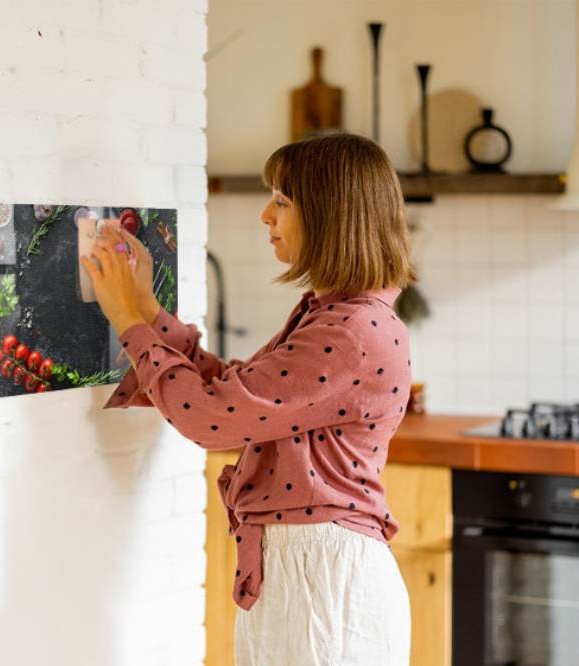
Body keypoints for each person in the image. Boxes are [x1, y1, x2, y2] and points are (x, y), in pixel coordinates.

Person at [81, 132, 417, 665]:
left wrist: (126, 319)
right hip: (309, 575)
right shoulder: (335, 315)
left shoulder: (351, 330)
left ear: (330, 215)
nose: (266, 215)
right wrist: (145, 307)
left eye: (282, 201)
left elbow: (212, 418)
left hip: (322, 584)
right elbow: (238, 392)